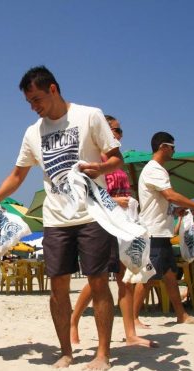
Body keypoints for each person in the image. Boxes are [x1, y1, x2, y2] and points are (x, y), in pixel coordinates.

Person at [0, 66, 122, 370]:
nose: (34, 107)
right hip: (55, 218)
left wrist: (101, 169)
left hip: (91, 213)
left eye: (37, 99)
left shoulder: (90, 115)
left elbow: (116, 158)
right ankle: (66, 351)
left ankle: (102, 353)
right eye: (29, 102)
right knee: (58, 287)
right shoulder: (32, 133)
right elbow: (18, 174)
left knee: (98, 282)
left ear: (53, 89)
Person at [70, 115, 155, 348]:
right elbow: (88, 194)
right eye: (115, 130)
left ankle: (129, 333)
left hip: (122, 223)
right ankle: (73, 320)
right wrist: (118, 200)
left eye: (120, 131)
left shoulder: (118, 161)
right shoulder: (94, 158)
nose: (118, 135)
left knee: (124, 279)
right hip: (102, 222)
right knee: (98, 279)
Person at [132, 132, 194, 325]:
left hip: (161, 231)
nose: (174, 150)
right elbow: (170, 195)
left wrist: (174, 211)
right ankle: (134, 318)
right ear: (163, 147)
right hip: (154, 232)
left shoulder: (156, 170)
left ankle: (181, 315)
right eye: (172, 146)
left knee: (170, 275)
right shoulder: (155, 169)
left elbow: (162, 201)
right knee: (148, 277)